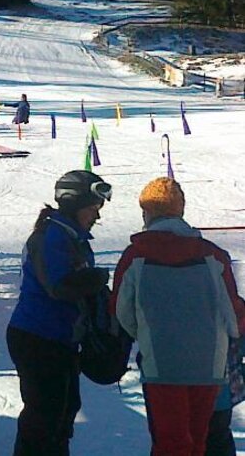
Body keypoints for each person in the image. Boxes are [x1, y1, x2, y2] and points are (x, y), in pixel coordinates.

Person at [112, 177, 245, 456]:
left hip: (161, 364)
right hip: (208, 365)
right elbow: (232, 314)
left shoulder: (135, 256)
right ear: (180, 211)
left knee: (170, 443)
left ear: (147, 213)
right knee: (199, 440)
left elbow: (122, 311)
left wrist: (147, 335)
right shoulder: (213, 255)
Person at [7, 170, 113, 456]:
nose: (97, 216)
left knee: (64, 411)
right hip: (37, 337)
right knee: (44, 416)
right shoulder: (52, 235)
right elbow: (59, 286)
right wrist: (97, 279)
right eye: (94, 209)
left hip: (59, 339)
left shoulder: (71, 236)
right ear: (75, 204)